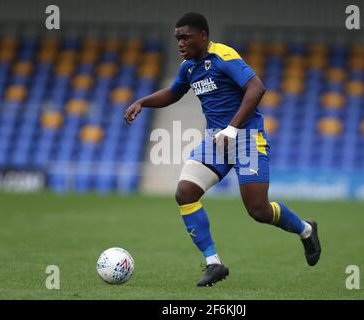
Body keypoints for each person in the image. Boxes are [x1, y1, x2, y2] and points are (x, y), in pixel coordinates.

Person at [125, 12, 321, 287]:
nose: (180, 43)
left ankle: (306, 229)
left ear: (203, 36)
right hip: (217, 142)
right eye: (177, 38)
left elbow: (256, 88)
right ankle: (214, 263)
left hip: (247, 138)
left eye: (185, 37)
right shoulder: (189, 67)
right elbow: (173, 93)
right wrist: (142, 102)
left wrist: (232, 127)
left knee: (258, 210)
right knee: (185, 192)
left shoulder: (223, 56)